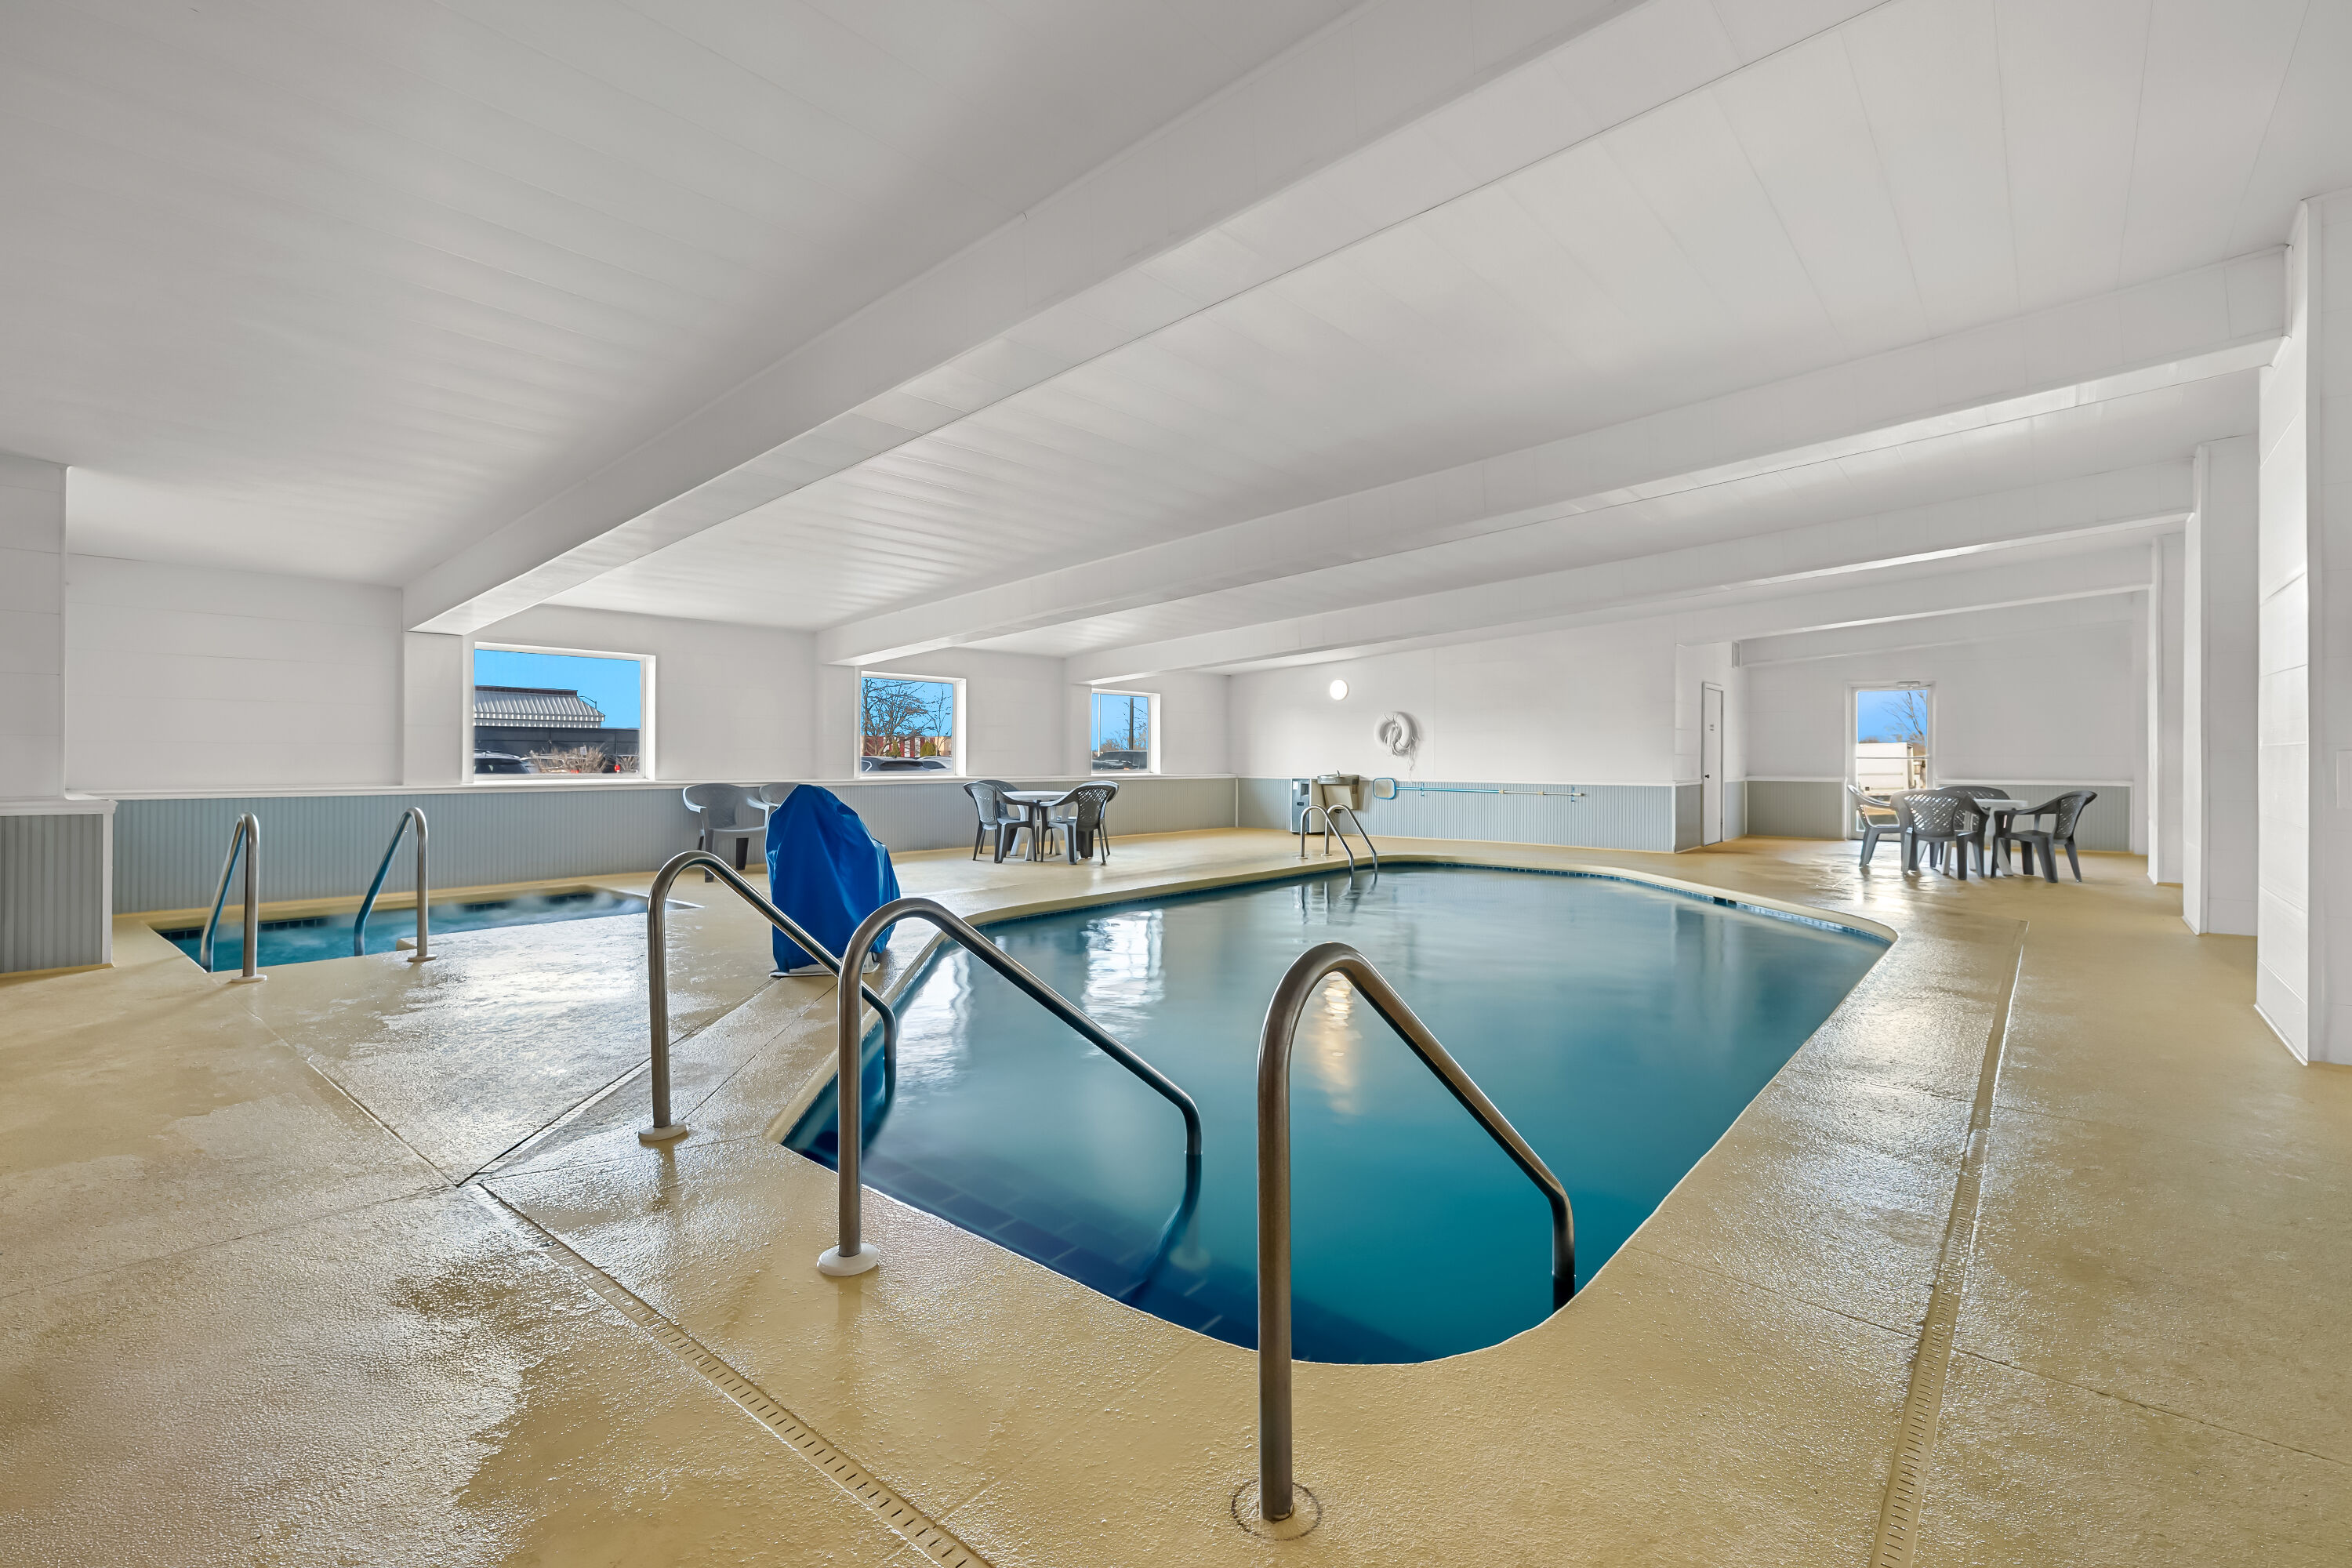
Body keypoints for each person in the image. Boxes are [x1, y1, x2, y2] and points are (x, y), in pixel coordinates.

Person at [764, 785, 898, 976]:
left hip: (794, 957)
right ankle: (857, 943)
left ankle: (797, 954)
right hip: (852, 954)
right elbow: (864, 843)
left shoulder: (784, 835)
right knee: (877, 853)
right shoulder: (840, 826)